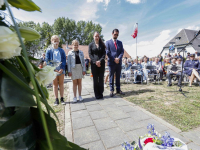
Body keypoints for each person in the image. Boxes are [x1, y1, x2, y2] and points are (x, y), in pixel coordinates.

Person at [46, 35, 66, 106]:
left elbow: (64, 59)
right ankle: (56, 100)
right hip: (53, 70)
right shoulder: (49, 50)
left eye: (57, 41)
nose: (56, 42)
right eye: (55, 41)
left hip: (61, 69)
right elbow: (47, 60)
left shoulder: (61, 50)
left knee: (61, 84)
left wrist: (62, 68)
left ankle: (62, 99)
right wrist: (53, 69)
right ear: (52, 41)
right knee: (55, 84)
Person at [106, 29, 125, 97]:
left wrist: (118, 58)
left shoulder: (120, 43)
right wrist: (114, 59)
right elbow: (107, 52)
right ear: (112, 33)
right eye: (115, 34)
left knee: (118, 76)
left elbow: (122, 52)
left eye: (117, 35)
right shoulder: (108, 42)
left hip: (118, 62)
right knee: (111, 76)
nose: (116, 36)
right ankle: (111, 90)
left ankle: (118, 89)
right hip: (111, 62)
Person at [88, 32, 106, 99]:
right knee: (95, 79)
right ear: (93, 37)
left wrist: (100, 61)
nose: (97, 37)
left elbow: (104, 54)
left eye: (98, 36)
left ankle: (101, 93)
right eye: (96, 36)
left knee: (101, 79)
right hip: (94, 64)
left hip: (102, 64)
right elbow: (90, 54)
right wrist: (95, 62)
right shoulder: (91, 45)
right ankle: (96, 94)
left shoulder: (102, 44)